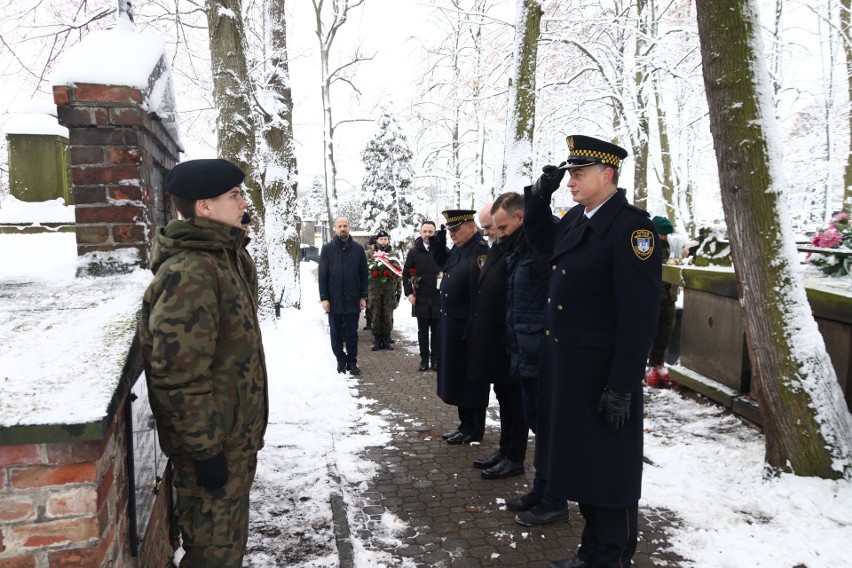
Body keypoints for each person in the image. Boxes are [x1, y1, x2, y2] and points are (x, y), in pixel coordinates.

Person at [524, 135, 661, 568]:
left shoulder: (632, 229)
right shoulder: (580, 220)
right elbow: (540, 242)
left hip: (603, 375)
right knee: (584, 467)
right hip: (571, 371)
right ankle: (591, 553)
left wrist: (622, 385)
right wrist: (538, 196)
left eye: (578, 175)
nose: (571, 182)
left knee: (610, 473)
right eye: (569, 176)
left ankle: (612, 556)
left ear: (608, 175)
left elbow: (638, 319)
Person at [139, 158, 268, 568]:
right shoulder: (192, 271)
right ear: (204, 207)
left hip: (233, 442)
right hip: (213, 450)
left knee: (226, 549)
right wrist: (206, 452)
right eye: (234, 196)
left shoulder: (224, 258)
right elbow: (177, 376)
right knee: (211, 556)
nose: (244, 203)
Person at [491, 192, 570, 525]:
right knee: (538, 423)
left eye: (503, 226)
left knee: (550, 429)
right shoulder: (519, 245)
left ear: (522, 217)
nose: (499, 233)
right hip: (524, 349)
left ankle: (555, 499)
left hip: (543, 350)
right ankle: (541, 489)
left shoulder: (543, 240)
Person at [467, 200, 528, 480]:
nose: (490, 232)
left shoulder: (518, 245)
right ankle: (505, 450)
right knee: (504, 398)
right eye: (488, 228)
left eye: (492, 227)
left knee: (515, 401)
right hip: (497, 339)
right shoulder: (501, 245)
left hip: (510, 340)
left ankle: (515, 455)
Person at [430, 209, 490, 445]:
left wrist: (473, 327)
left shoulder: (479, 252)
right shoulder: (461, 247)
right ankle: (465, 425)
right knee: (457, 377)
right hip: (453, 325)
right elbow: (445, 264)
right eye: (450, 230)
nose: (453, 234)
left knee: (471, 380)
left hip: (467, 327)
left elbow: (480, 294)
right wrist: (437, 243)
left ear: (471, 226)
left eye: (456, 229)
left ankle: (475, 429)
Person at [318, 217, 369, 376]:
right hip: (334, 299)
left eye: (345, 226)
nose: (342, 229)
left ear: (349, 227)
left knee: (352, 333)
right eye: (339, 226)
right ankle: (341, 361)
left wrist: (363, 296)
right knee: (336, 333)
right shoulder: (327, 249)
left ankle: (352, 362)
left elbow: (364, 275)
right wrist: (324, 298)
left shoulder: (358, 250)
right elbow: (322, 275)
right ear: (335, 229)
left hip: (353, 298)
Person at [402, 220, 441, 371]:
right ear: (420, 233)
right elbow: (406, 274)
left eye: (430, 232)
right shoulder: (414, 252)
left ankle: (435, 360)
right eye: (425, 231)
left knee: (437, 332)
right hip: (421, 298)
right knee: (423, 331)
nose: (427, 234)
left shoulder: (441, 250)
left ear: (435, 233)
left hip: (437, 298)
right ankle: (424, 359)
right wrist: (409, 293)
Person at [646, 216, 680, 388]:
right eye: (662, 234)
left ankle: (656, 366)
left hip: (669, 297)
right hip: (652, 298)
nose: (664, 238)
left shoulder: (668, 247)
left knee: (664, 335)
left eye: (666, 235)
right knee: (646, 335)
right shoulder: (646, 244)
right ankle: (643, 369)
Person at [368, 230, 403, 350]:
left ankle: (387, 338)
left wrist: (399, 291)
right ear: (376, 240)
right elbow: (364, 272)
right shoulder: (369, 254)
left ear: (389, 240)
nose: (383, 241)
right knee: (376, 314)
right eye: (381, 239)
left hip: (389, 290)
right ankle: (377, 338)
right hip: (374, 290)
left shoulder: (393, 255)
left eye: (385, 239)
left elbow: (398, 274)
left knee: (388, 314)